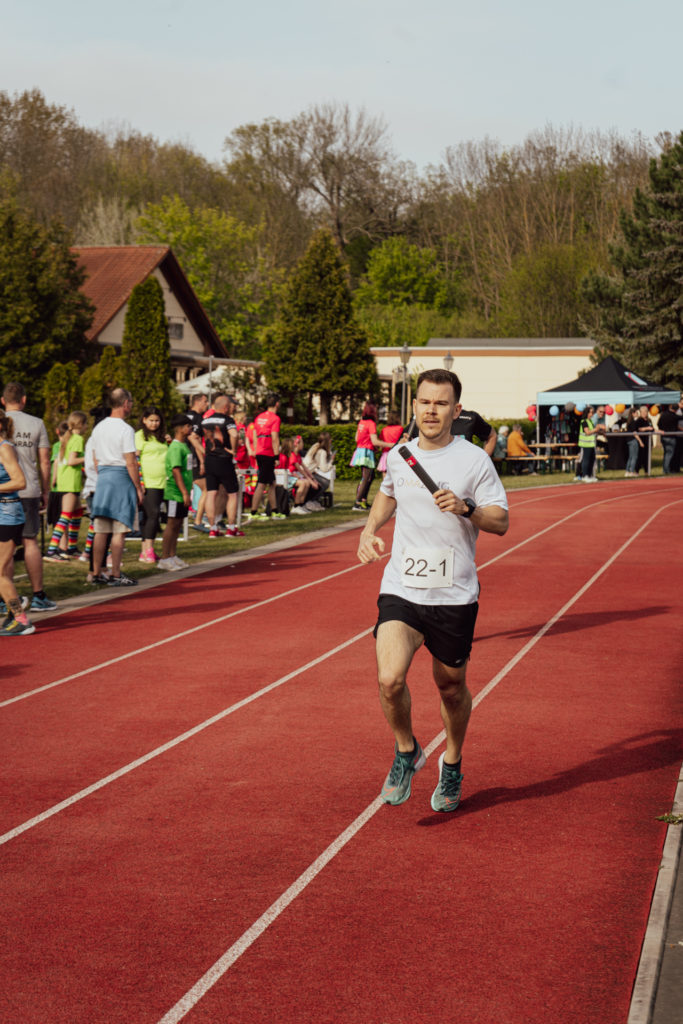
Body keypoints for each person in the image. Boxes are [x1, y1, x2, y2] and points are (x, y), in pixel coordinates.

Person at [357, 368, 509, 812]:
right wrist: (368, 530)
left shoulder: (474, 461)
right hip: (402, 587)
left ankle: (453, 763)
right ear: (415, 406)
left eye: (441, 403)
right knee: (389, 680)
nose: (430, 410)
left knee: (450, 687)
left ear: (456, 411)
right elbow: (388, 493)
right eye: (424, 402)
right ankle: (407, 752)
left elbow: (501, 522)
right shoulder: (400, 454)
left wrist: (468, 508)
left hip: (453, 594)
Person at [0, 382, 57, 612]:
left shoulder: (4, 428)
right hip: (29, 490)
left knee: (6, 547)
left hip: (10, 490)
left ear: (3, 400)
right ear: (24, 399)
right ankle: (38, 595)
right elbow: (44, 460)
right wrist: (45, 490)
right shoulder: (36, 423)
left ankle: (8, 599)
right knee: (30, 541)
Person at [89, 388, 143, 586]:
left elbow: (95, 459)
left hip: (103, 477)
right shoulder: (125, 429)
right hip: (120, 477)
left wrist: (103, 473)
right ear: (125, 403)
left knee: (101, 529)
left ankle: (96, 572)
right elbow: (130, 461)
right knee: (119, 529)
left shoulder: (99, 428)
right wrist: (137, 487)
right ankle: (116, 573)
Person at [0, 409, 36, 635]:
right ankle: (12, 614)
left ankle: (21, 618)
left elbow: (20, 481)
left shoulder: (5, 448)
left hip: (8, 514)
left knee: (0, 572)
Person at [45, 410, 88, 560]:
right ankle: (52, 549)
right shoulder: (77, 439)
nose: (86, 428)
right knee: (66, 516)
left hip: (68, 481)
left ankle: (71, 547)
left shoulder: (67, 438)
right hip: (70, 482)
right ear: (81, 425)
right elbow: (71, 461)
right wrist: (87, 457)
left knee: (77, 513)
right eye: (86, 425)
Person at [201, 394, 245, 538]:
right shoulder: (228, 420)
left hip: (209, 458)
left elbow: (194, 436)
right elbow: (234, 434)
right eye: (231, 406)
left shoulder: (205, 420)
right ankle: (231, 528)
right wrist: (233, 450)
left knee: (211, 493)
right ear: (225, 407)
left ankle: (213, 528)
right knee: (232, 493)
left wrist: (203, 451)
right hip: (224, 459)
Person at [158, 415, 193, 571]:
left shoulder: (184, 446)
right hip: (175, 492)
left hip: (183, 491)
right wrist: (184, 492)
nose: (191, 429)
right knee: (171, 524)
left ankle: (172, 555)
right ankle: (164, 558)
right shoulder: (176, 448)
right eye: (188, 426)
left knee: (178, 524)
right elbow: (176, 470)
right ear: (181, 428)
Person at [135, 406, 169, 563]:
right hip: (148, 482)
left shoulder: (162, 437)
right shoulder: (140, 436)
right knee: (153, 514)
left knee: (151, 516)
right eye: (151, 420)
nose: (154, 424)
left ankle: (145, 551)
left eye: (157, 420)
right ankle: (148, 549)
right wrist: (140, 482)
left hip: (163, 481)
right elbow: (136, 460)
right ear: (144, 420)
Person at [248, 393, 286, 521]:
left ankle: (274, 510)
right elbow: (275, 437)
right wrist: (276, 456)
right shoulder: (275, 418)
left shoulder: (259, 417)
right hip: (268, 452)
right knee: (262, 483)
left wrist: (255, 449)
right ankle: (253, 512)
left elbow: (254, 434)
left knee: (272, 483)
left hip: (260, 450)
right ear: (277, 404)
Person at [350, 403, 392, 512]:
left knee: (369, 477)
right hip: (366, 452)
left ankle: (362, 501)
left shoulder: (362, 422)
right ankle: (358, 502)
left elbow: (356, 438)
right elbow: (375, 441)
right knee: (366, 478)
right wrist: (392, 445)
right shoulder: (371, 423)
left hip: (360, 451)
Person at [186, 393, 208, 531]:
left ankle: (178, 521)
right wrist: (202, 461)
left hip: (180, 454)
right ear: (198, 402)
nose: (207, 405)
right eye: (205, 402)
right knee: (207, 488)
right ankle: (198, 520)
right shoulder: (199, 419)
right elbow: (195, 439)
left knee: (183, 488)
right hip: (192, 456)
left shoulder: (184, 416)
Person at [574, 406, 603, 483]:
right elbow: (587, 432)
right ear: (586, 413)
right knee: (586, 460)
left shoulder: (590, 421)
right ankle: (585, 475)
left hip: (591, 444)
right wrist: (596, 429)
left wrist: (599, 431)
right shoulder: (584, 421)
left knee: (592, 460)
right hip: (585, 444)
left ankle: (590, 475)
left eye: (592, 412)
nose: (592, 414)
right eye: (590, 412)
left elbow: (592, 431)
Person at [655, 404, 680, 475]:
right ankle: (666, 469)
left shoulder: (663, 414)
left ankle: (665, 469)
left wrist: (662, 429)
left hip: (664, 436)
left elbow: (658, 424)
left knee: (666, 453)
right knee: (669, 454)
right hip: (671, 437)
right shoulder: (674, 416)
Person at [624, 407, 645, 477]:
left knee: (630, 457)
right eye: (636, 413)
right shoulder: (632, 422)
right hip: (633, 440)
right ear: (633, 413)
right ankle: (631, 471)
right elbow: (635, 433)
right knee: (634, 457)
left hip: (629, 440)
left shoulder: (629, 422)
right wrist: (640, 441)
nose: (637, 414)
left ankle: (627, 471)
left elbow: (637, 429)